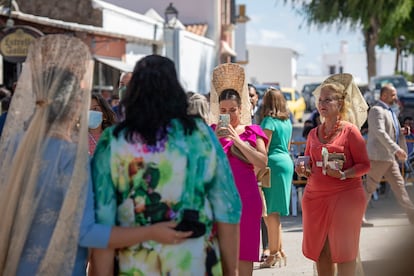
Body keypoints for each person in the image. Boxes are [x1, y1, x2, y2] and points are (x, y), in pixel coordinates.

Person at [0, 35, 192, 276]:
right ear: (76, 106)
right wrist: (152, 232)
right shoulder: (72, 157)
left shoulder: (14, 145)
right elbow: (88, 232)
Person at [90, 55, 242, 275]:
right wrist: (232, 271)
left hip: (135, 267)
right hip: (195, 264)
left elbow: (102, 218)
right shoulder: (201, 136)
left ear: (133, 93)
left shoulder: (113, 141)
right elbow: (227, 209)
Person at [295, 73, 370, 276]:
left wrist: (344, 174)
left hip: (345, 198)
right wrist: (303, 169)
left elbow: (365, 165)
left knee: (344, 253)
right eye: (320, 100)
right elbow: (309, 163)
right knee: (322, 252)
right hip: (315, 200)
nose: (322, 104)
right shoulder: (312, 133)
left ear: (340, 103)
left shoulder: (350, 131)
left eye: (328, 100)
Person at [209, 63, 268, 276]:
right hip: (218, 200)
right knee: (219, 257)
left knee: (245, 256)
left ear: (241, 108)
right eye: (223, 111)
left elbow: (262, 162)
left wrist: (238, 141)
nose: (228, 115)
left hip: (246, 199)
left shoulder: (253, 130)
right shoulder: (211, 132)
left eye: (232, 110)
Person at [364, 84, 414, 226]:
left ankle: (411, 215)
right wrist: (396, 149)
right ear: (384, 95)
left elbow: (389, 130)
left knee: (399, 187)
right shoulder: (376, 110)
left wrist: (402, 131)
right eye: (393, 94)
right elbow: (379, 132)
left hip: (388, 157)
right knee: (369, 189)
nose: (396, 97)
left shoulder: (389, 111)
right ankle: (356, 217)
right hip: (379, 158)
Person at [258, 87, 293, 268]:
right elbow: (287, 145)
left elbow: (264, 148)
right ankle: (278, 249)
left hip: (272, 165)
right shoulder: (287, 122)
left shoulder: (268, 122)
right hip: (286, 162)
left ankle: (273, 254)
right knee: (276, 212)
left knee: (270, 212)